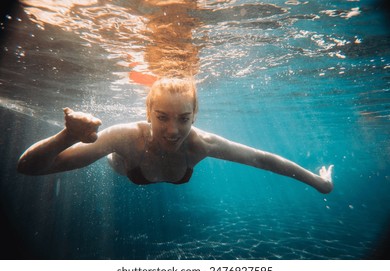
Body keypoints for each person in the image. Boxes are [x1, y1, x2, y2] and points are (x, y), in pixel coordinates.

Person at [18, 78, 334, 193]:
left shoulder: (202, 143)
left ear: (195, 116)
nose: (172, 131)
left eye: (184, 119)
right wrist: (67, 137)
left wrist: (320, 184)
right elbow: (29, 167)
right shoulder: (124, 138)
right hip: (124, 167)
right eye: (162, 118)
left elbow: (264, 160)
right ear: (147, 114)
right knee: (107, 158)